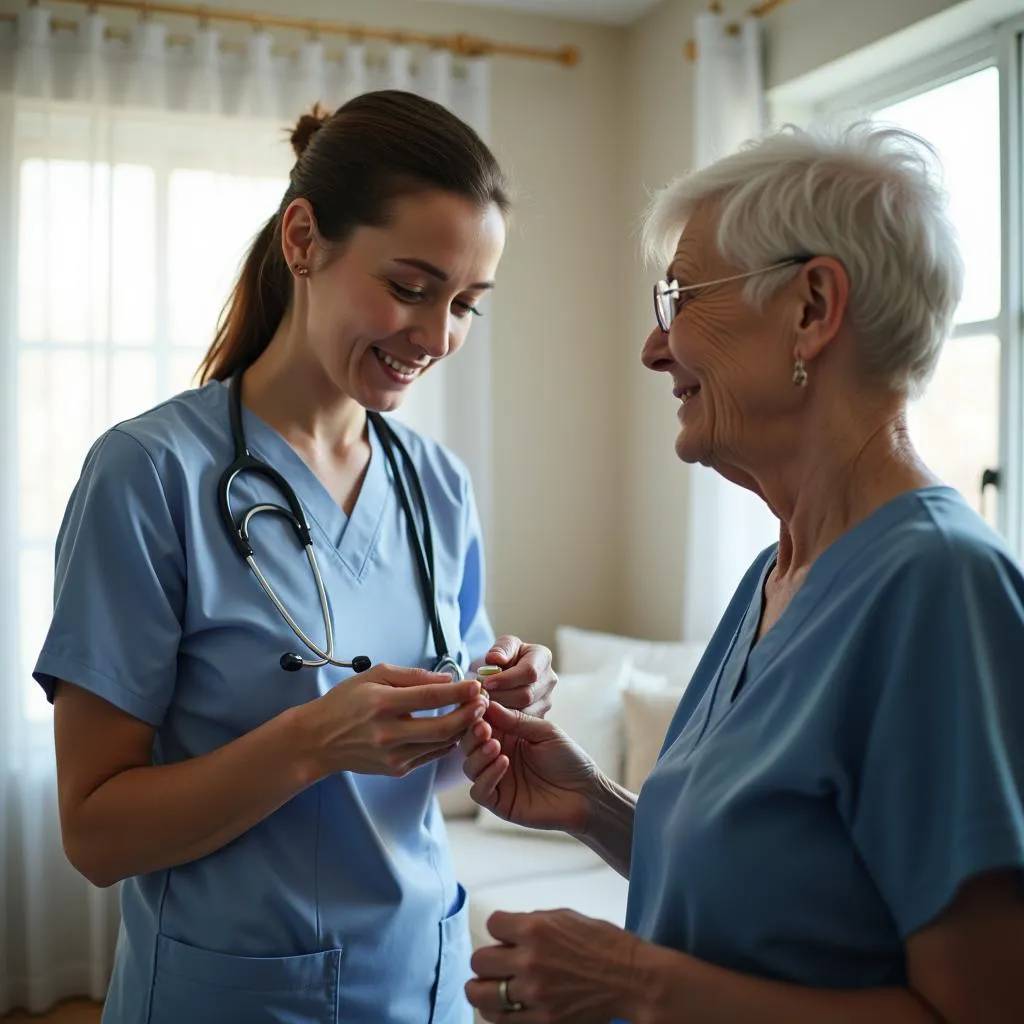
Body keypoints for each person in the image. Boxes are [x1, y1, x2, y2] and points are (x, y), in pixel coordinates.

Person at [460, 121, 1024, 1023]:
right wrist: (592, 806)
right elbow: (783, 905)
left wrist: (632, 983)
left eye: (678, 298)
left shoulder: (940, 587)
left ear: (812, 308)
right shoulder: (775, 574)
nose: (654, 348)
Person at [33, 90, 557, 1024]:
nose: (438, 339)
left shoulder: (436, 485)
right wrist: (311, 743)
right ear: (304, 238)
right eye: (410, 287)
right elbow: (96, 835)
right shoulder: (150, 476)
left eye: (468, 305)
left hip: (422, 981)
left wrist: (490, 712)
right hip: (237, 995)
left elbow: (427, 771)